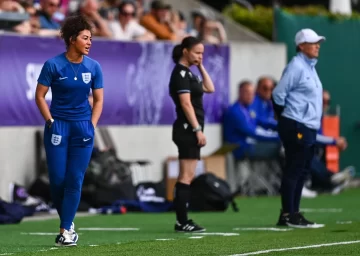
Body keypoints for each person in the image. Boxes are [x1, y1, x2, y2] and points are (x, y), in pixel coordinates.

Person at [35, 15, 104, 246]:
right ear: (72, 39)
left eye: (91, 39)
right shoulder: (53, 64)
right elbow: (40, 96)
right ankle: (67, 221)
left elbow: (99, 100)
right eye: (85, 38)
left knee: (75, 178)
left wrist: (92, 124)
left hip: (83, 127)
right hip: (58, 126)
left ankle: (66, 229)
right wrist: (50, 120)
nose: (89, 42)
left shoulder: (94, 67)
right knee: (57, 179)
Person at [272, 28, 325, 228]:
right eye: (313, 42)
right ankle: (288, 214)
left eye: (318, 42)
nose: (317, 45)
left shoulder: (309, 67)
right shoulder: (297, 66)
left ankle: (293, 212)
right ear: (301, 46)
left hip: (308, 125)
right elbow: (278, 94)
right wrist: (285, 116)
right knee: (294, 169)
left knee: (302, 170)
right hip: (296, 124)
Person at [169, 36, 215, 232]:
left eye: (202, 53)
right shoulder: (179, 74)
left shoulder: (190, 73)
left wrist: (201, 66)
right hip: (187, 129)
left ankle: (183, 220)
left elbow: (210, 88)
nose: (200, 56)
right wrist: (197, 129)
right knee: (186, 176)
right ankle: (182, 221)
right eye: (197, 52)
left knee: (187, 175)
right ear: (185, 51)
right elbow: (186, 104)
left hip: (191, 129)